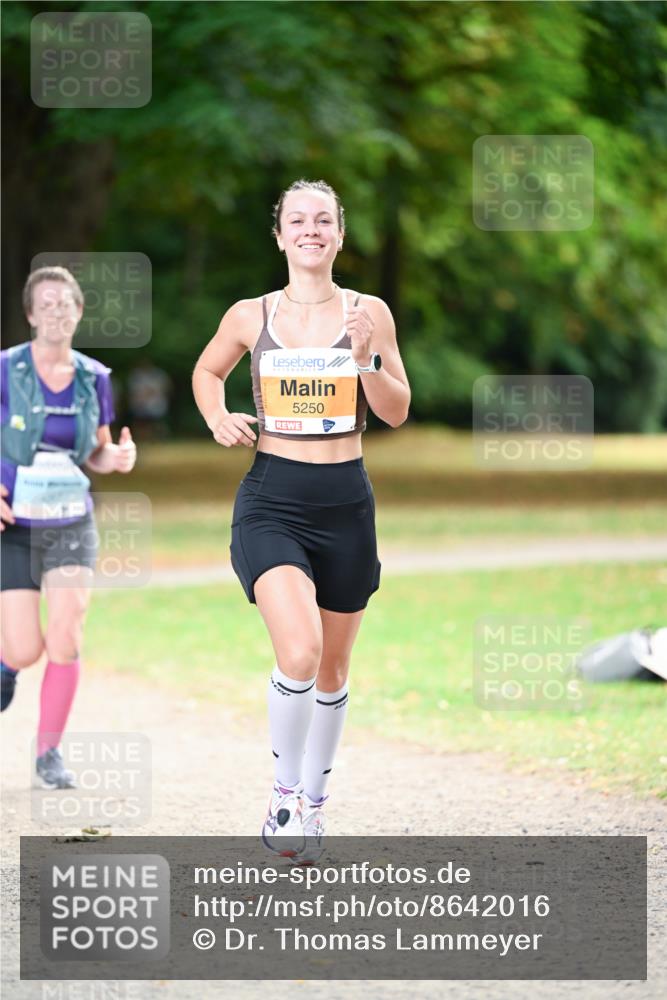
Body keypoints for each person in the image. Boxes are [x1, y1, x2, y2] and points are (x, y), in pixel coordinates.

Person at [192, 179, 410, 862]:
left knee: (334, 670)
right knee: (299, 652)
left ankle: (314, 803)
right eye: (298, 220)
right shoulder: (248, 315)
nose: (311, 230)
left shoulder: (367, 311)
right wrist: (218, 415)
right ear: (279, 235)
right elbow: (206, 371)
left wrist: (365, 357)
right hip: (272, 501)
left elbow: (397, 409)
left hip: (346, 503)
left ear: (339, 235)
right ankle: (284, 795)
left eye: (323, 220)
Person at [0, 266, 137, 788]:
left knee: (66, 633)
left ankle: (48, 753)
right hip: (13, 523)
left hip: (70, 523)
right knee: (24, 648)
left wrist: (117, 456)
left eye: (67, 303)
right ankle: (6, 664)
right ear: (32, 314)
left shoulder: (94, 378)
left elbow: (97, 449)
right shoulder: (5, 370)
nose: (57, 311)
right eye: (47, 303)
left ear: (79, 312)